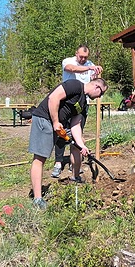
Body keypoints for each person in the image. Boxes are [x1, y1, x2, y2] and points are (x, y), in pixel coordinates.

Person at [28, 78, 109, 209]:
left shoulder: (83, 103)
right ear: (96, 87)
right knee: (40, 158)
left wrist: (81, 145)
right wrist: (55, 122)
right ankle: (37, 199)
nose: (100, 97)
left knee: (43, 157)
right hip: (44, 119)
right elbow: (53, 98)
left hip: (56, 125)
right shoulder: (75, 85)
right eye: (101, 93)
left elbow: (75, 125)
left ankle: (73, 177)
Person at [51, 45, 104, 178]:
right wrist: (89, 67)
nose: (83, 59)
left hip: (81, 103)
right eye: (81, 56)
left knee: (77, 133)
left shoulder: (90, 64)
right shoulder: (69, 61)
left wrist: (96, 74)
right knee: (61, 132)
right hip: (66, 102)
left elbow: (92, 82)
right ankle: (58, 162)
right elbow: (71, 69)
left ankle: (74, 166)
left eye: (86, 57)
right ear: (76, 54)